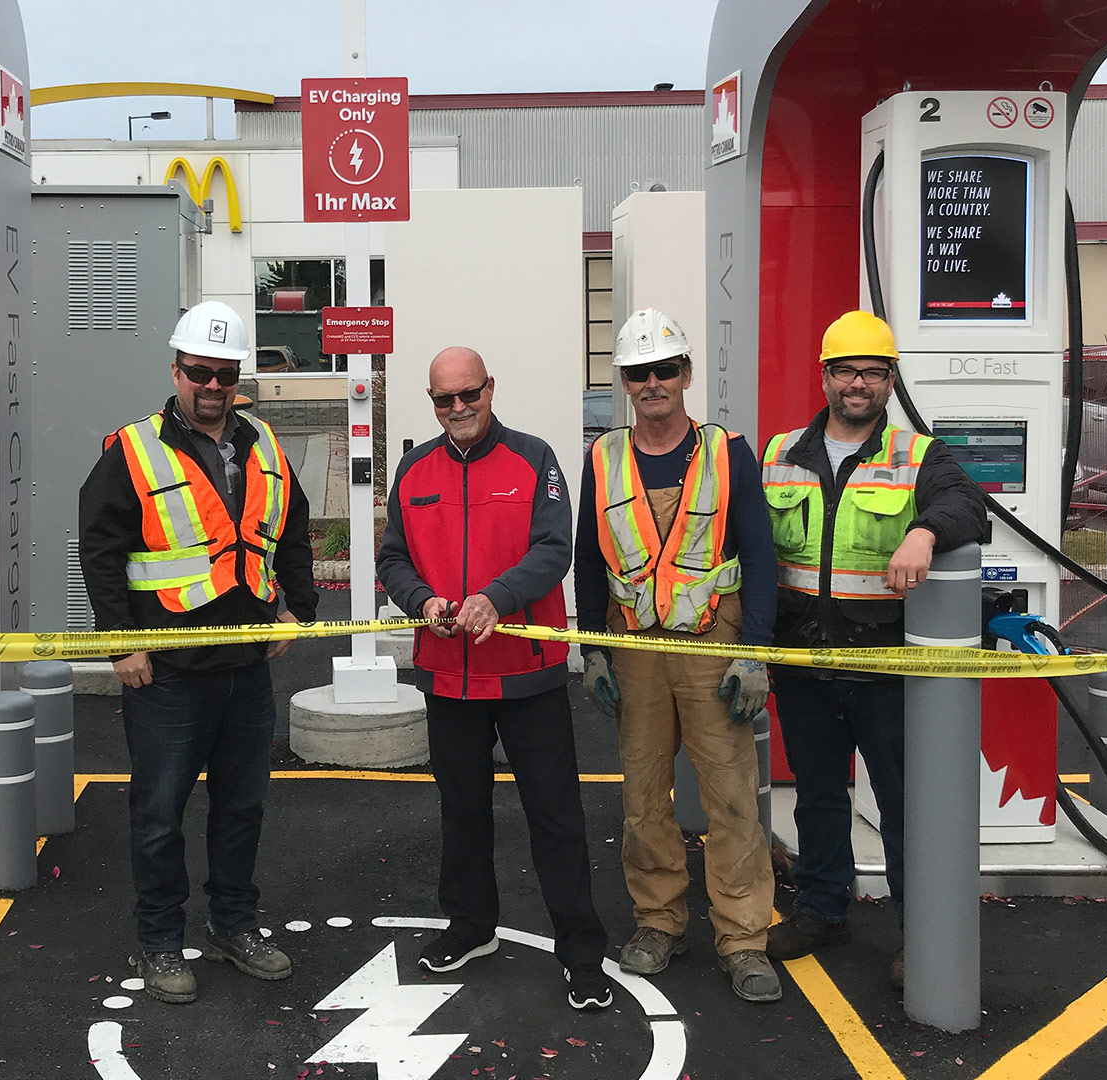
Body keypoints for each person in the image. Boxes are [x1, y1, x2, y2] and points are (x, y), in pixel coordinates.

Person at [78, 300, 317, 1004]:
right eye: (200, 372)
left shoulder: (263, 445)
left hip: (246, 668)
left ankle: (233, 926)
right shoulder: (134, 449)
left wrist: (296, 611)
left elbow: (293, 526)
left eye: (225, 374)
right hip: (169, 672)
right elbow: (100, 548)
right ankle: (159, 941)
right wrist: (124, 644)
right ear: (176, 370)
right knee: (159, 813)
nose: (213, 385)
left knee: (242, 808)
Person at [376, 346, 616, 1011]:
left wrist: (495, 599)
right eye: (443, 398)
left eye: (468, 393)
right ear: (432, 402)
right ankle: (471, 927)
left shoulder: (534, 459)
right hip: (447, 676)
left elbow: (554, 548)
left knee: (557, 816)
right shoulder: (414, 469)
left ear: (490, 388)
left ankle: (580, 952)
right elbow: (393, 558)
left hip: (527, 676)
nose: (458, 408)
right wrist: (422, 600)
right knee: (462, 811)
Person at [759, 311, 985, 985]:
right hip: (803, 663)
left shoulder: (917, 456)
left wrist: (924, 534)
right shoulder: (777, 455)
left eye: (873, 372)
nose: (859, 384)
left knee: (902, 805)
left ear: (889, 380)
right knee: (818, 798)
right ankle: (824, 910)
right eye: (847, 370)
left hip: (885, 667)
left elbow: (966, 505)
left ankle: (923, 934)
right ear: (825, 376)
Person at [573, 307, 784, 1003]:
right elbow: (587, 561)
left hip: (711, 647)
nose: (653, 383)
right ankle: (659, 921)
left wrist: (754, 654)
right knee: (642, 799)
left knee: (729, 798)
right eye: (640, 373)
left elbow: (759, 553)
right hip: (633, 647)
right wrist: (594, 653)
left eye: (666, 369)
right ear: (625, 383)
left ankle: (744, 938)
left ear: (687, 374)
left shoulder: (727, 454)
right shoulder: (602, 459)